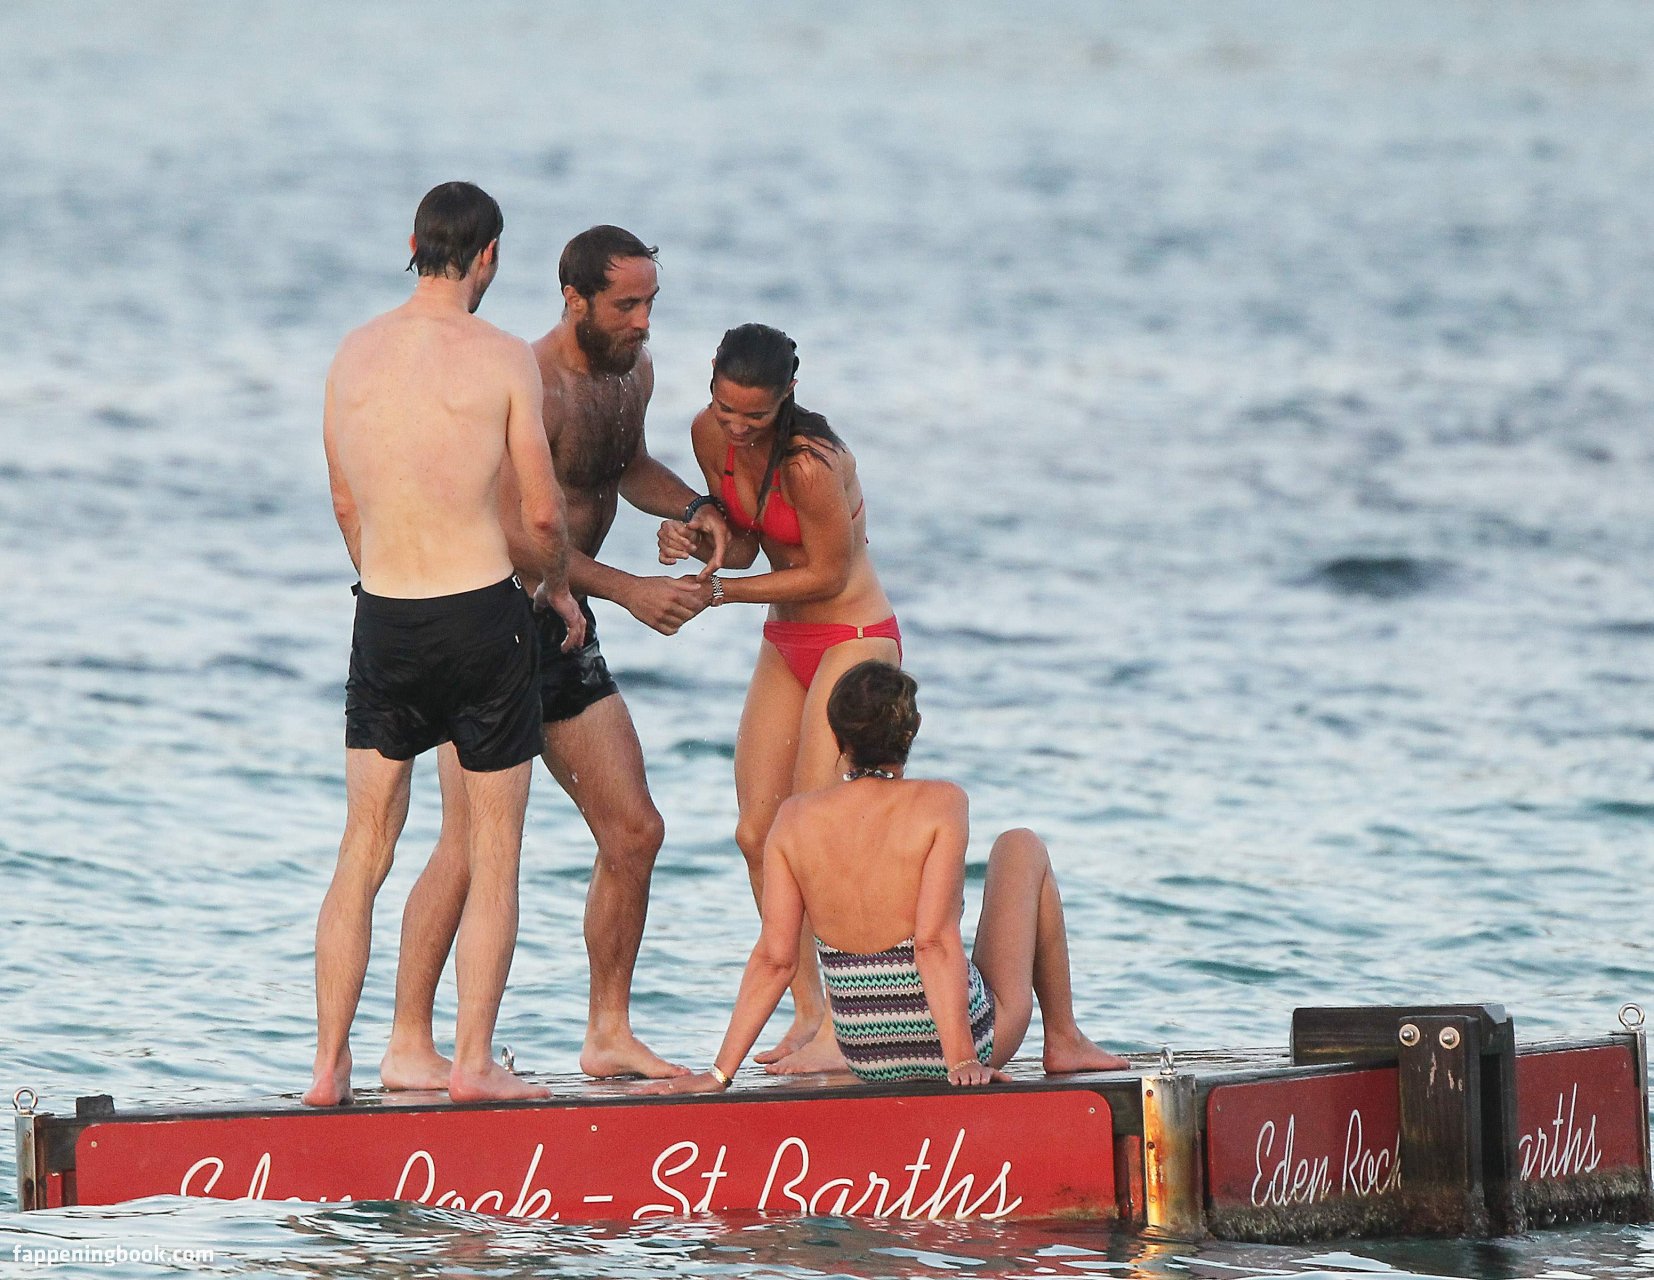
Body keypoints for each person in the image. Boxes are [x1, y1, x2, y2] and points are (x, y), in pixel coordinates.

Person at [378, 226, 730, 1086]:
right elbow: (513, 534)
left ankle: (608, 1031)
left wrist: (696, 506)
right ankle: (407, 1044)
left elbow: (625, 464)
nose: (644, 322)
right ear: (576, 299)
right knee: (467, 845)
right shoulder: (530, 383)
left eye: (651, 303)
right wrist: (631, 589)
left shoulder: (632, 374)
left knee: (635, 831)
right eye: (627, 305)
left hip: (569, 628)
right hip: (492, 625)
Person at [309, 181, 584, 1107]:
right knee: (494, 848)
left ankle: (328, 1068)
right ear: (489, 255)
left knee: (363, 848)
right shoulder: (503, 356)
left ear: (414, 243)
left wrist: (382, 578)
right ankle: (471, 1064)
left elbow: (344, 500)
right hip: (480, 617)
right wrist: (556, 585)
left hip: (384, 615)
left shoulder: (352, 354)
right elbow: (540, 511)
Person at [652, 660, 1131, 1093]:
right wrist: (962, 1059)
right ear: (912, 728)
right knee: (1020, 845)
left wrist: (719, 1075)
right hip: (959, 1042)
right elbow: (932, 942)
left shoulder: (793, 819)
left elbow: (775, 959)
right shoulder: (942, 802)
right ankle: (1063, 1038)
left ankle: (1056, 1040)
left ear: (837, 736)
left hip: (866, 1053)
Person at [656, 323, 900, 1074]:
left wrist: (719, 593)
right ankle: (809, 1013)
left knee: (815, 832)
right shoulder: (709, 434)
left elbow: (827, 573)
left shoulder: (812, 464)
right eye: (726, 408)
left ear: (788, 396)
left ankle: (849, 1025)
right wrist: (697, 538)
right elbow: (749, 540)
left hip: (852, 634)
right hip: (785, 638)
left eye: (754, 417)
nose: (736, 427)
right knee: (758, 832)